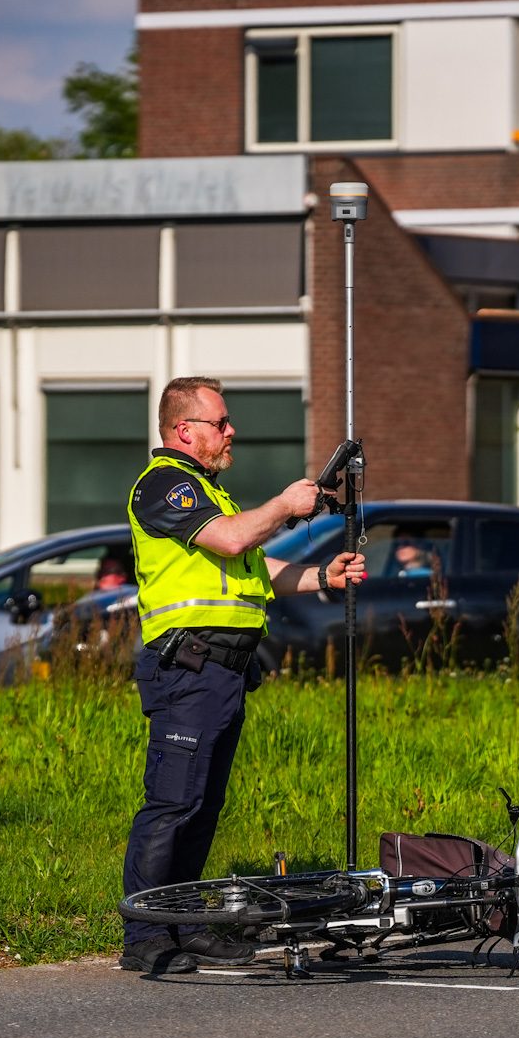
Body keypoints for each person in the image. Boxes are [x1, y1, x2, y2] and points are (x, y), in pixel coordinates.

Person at [118, 376, 365, 975]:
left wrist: (323, 576)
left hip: (223, 673)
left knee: (203, 806)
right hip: (187, 668)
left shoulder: (210, 492)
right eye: (220, 422)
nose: (232, 431)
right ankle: (146, 936)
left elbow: (252, 563)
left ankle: (186, 924)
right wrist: (284, 505)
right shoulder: (165, 484)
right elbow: (233, 540)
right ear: (185, 430)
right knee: (173, 803)